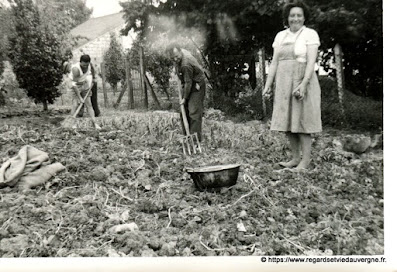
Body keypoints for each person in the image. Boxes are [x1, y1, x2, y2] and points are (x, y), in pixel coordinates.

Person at [262, 0, 322, 170]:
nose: (295, 18)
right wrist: (268, 84)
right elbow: (274, 63)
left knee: (302, 122)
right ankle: (295, 158)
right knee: (287, 122)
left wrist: (303, 84)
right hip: (283, 81)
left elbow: (311, 62)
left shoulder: (310, 34)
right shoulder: (281, 36)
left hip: (302, 80)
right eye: (292, 15)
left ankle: (305, 161)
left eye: (299, 15)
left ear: (304, 18)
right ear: (287, 18)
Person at [166, 44, 206, 142]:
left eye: (176, 56)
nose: (175, 59)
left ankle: (195, 141)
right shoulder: (179, 56)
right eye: (172, 58)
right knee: (183, 110)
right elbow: (186, 81)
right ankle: (187, 137)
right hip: (188, 82)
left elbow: (189, 83)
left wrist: (184, 98)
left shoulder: (185, 64)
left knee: (194, 111)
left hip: (196, 84)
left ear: (180, 51)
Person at [66, 55, 101, 130]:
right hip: (74, 85)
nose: (85, 66)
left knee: (89, 104)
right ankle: (73, 124)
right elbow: (74, 84)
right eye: (84, 65)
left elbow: (92, 70)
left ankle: (95, 123)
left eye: (87, 64)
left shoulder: (89, 65)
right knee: (75, 104)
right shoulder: (75, 69)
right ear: (80, 62)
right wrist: (80, 97)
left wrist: (94, 78)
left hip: (84, 84)